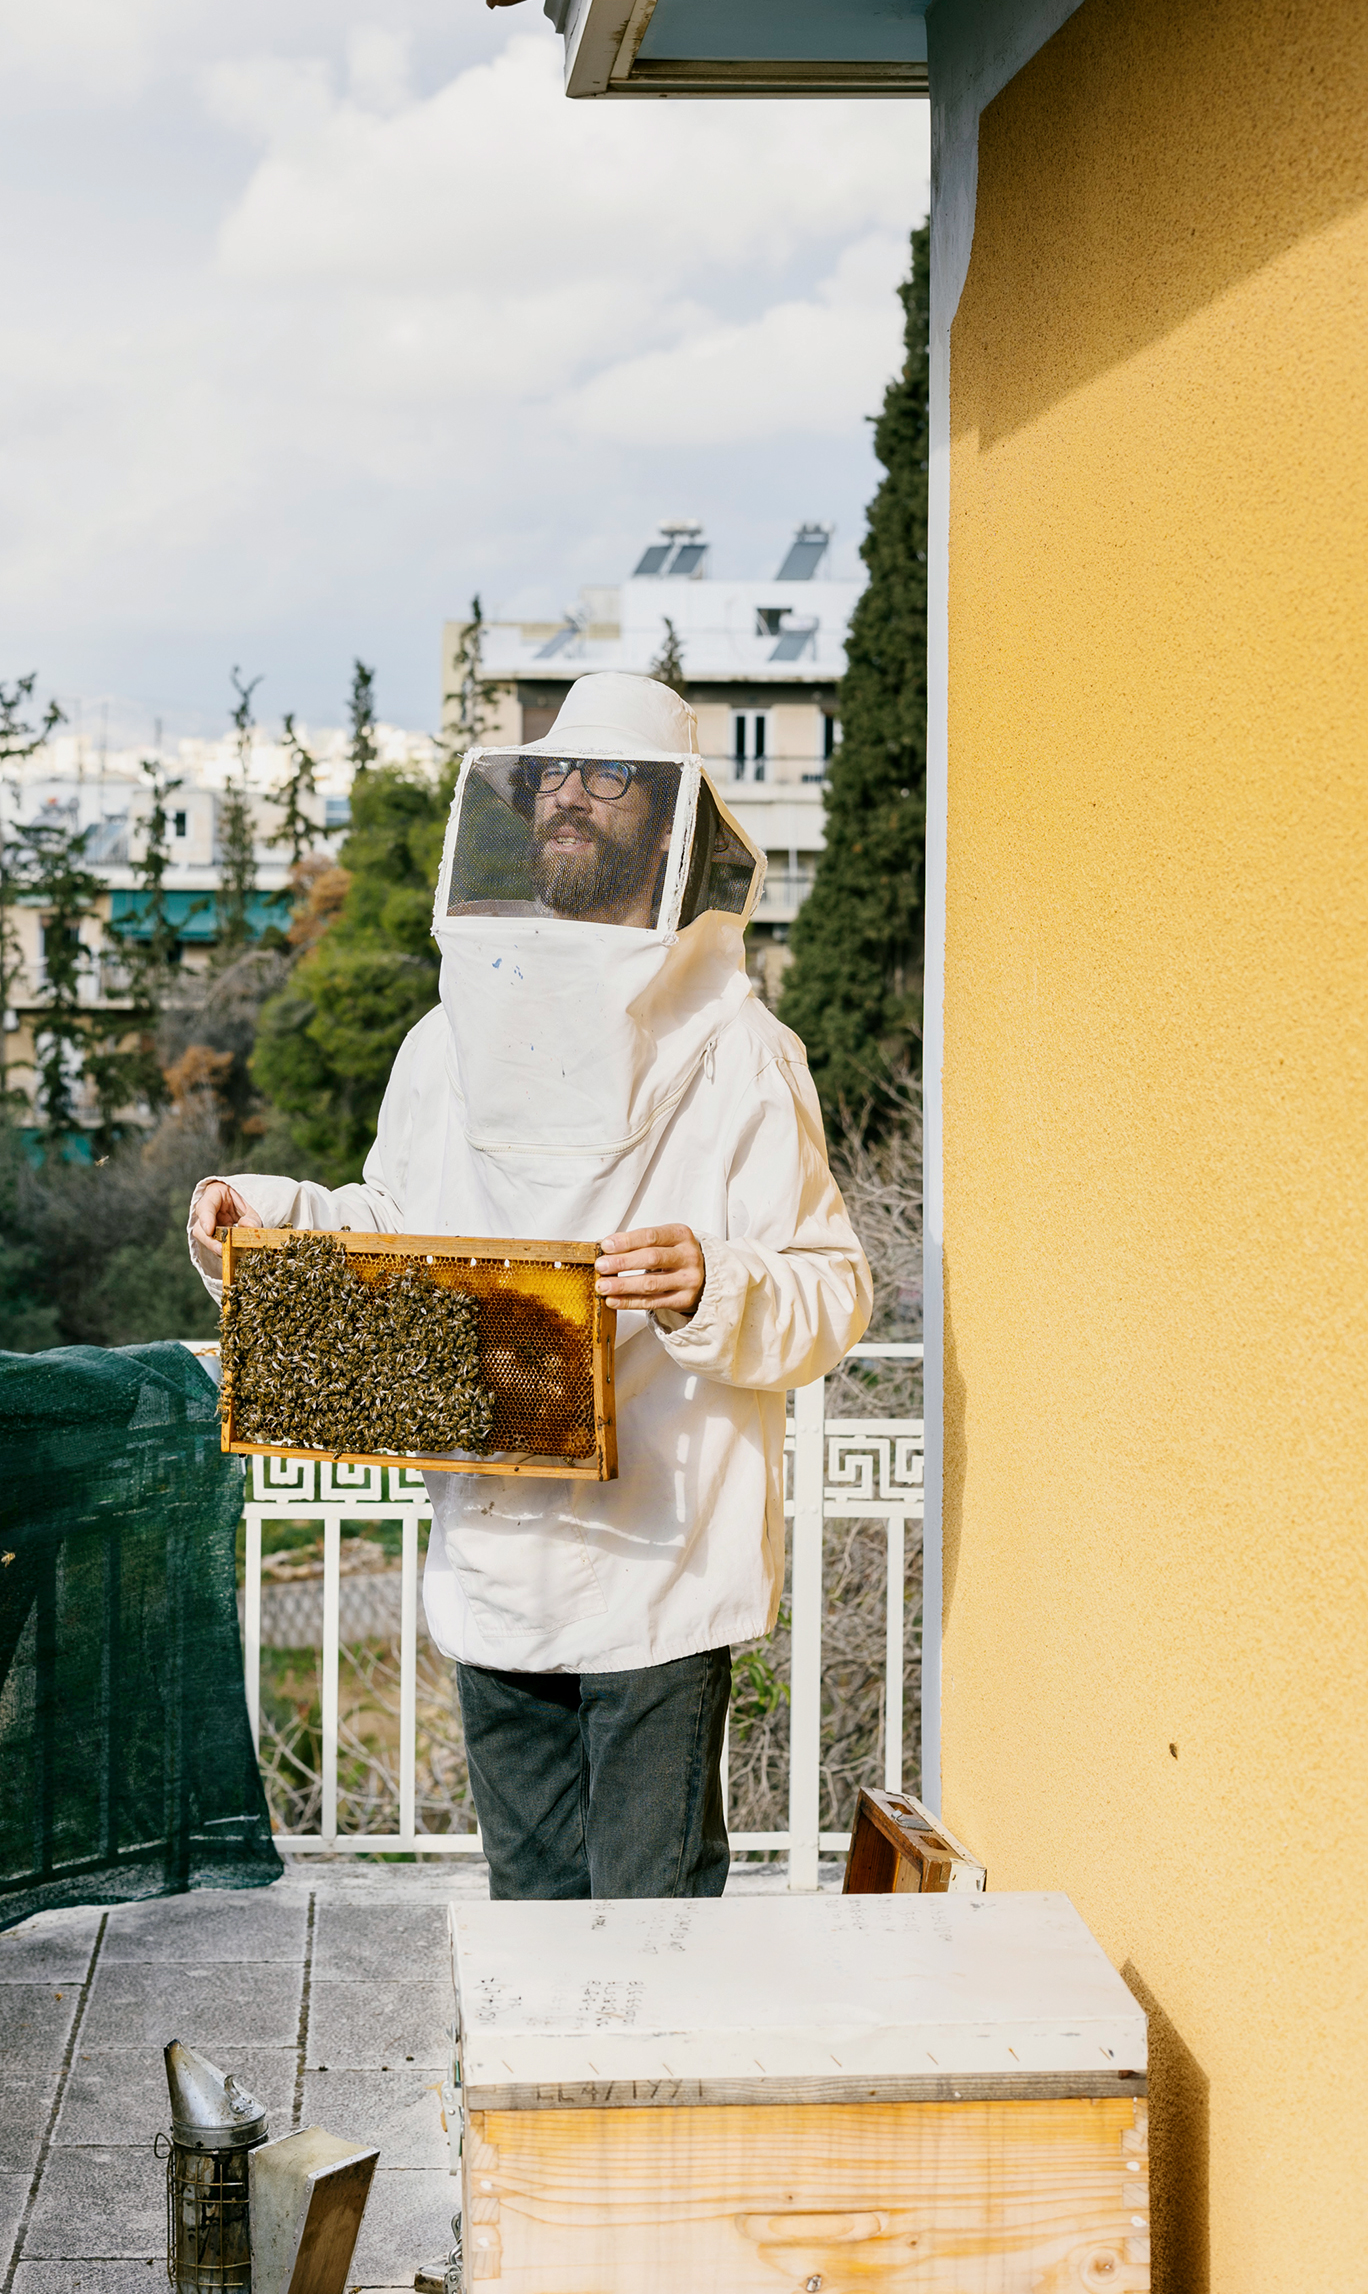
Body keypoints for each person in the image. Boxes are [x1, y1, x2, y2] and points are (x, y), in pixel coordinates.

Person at [189, 672, 870, 1899]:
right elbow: (400, 1230)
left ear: (673, 829)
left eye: (610, 778)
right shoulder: (446, 1041)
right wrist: (271, 1218)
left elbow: (832, 1289)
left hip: (664, 1562)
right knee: (531, 1929)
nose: (570, 796)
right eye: (555, 772)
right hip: (497, 1553)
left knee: (650, 1934)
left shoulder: (743, 1056)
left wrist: (710, 1280)